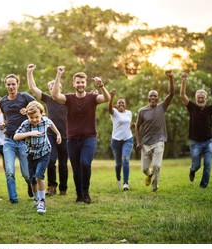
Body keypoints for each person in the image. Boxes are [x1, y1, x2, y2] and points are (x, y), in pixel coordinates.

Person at [51, 66, 110, 204]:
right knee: (76, 169)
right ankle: (79, 194)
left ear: (86, 83)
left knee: (85, 163)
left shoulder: (92, 98)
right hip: (72, 139)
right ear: (74, 84)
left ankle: (86, 192)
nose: (80, 84)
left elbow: (106, 98)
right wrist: (58, 74)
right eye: (78, 82)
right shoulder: (69, 99)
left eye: (82, 82)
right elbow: (55, 95)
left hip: (89, 138)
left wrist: (101, 86)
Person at [27, 64, 68, 196]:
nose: (52, 89)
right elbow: (33, 88)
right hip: (50, 134)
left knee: (63, 163)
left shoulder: (67, 100)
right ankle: (52, 186)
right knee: (50, 160)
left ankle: (63, 188)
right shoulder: (48, 99)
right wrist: (29, 73)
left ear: (60, 88)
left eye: (54, 87)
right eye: (50, 88)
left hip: (66, 136)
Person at [180, 73, 212, 188]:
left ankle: (203, 186)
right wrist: (183, 81)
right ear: (196, 99)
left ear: (206, 99)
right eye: (198, 98)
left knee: (207, 164)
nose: (200, 99)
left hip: (208, 142)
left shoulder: (210, 109)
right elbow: (182, 95)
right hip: (195, 143)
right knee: (196, 165)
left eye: (202, 98)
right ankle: (192, 170)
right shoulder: (192, 107)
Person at [14, 101, 61, 213]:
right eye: (31, 117)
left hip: (44, 153)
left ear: (42, 114)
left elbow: (51, 123)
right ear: (27, 116)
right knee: (32, 180)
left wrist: (58, 134)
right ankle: (36, 199)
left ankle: (42, 202)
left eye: (37, 117)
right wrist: (30, 133)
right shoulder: (26, 124)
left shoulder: (45, 120)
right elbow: (16, 136)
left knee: (39, 176)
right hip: (31, 155)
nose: (34, 120)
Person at [135, 70, 175, 193]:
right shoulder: (142, 111)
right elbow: (137, 126)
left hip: (159, 140)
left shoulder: (162, 107)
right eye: (151, 96)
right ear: (148, 98)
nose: (153, 97)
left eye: (155, 96)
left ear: (158, 98)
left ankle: (154, 187)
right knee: (144, 169)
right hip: (146, 143)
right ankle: (149, 174)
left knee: (157, 165)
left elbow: (172, 93)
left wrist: (171, 78)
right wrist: (138, 142)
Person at [0, 73, 35, 204]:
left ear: (18, 84)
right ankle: (13, 199)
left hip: (24, 141)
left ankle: (30, 184)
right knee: (9, 171)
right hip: (8, 140)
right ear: (5, 85)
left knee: (26, 173)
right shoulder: (2, 101)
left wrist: (28, 112)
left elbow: (40, 111)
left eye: (13, 84)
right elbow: (5, 117)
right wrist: (4, 124)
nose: (11, 86)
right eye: (8, 84)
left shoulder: (25, 97)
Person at [108, 88, 134, 191]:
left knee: (125, 159)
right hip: (116, 141)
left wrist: (132, 125)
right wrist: (111, 97)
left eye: (123, 103)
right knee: (118, 164)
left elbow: (126, 124)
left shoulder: (129, 113)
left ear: (125, 105)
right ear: (116, 105)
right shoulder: (113, 112)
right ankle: (118, 179)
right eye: (119, 103)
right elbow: (109, 108)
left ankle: (125, 183)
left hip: (128, 139)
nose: (121, 104)